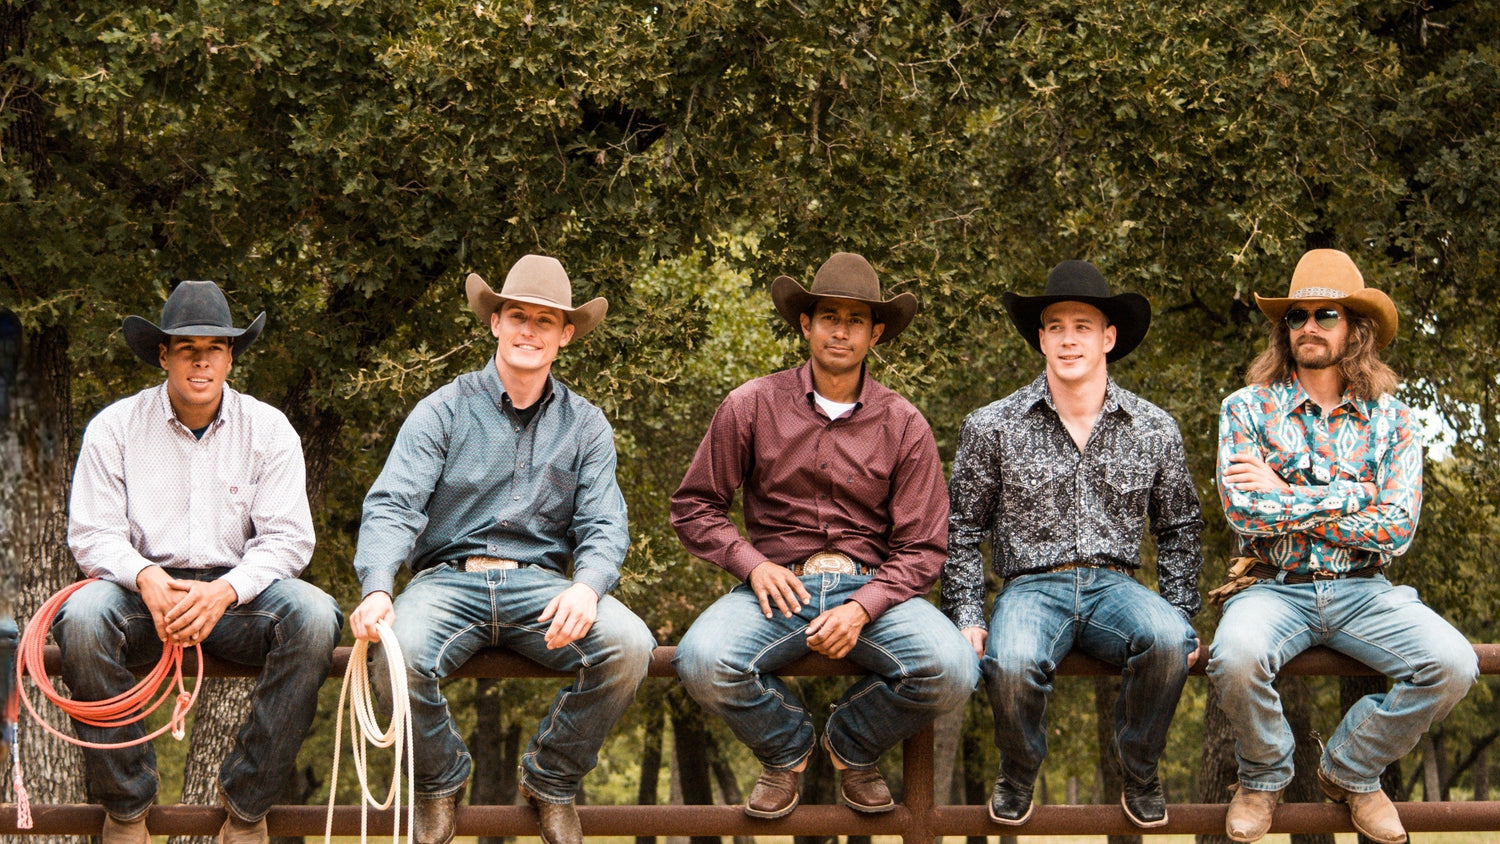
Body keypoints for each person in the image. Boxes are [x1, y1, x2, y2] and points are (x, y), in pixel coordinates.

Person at [349, 255, 654, 844]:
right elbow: (393, 505)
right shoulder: (441, 409)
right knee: (392, 653)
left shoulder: (586, 425)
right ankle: (438, 781)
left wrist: (588, 587)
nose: (528, 331)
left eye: (545, 321)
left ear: (565, 335)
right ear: (495, 323)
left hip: (541, 586)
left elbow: (604, 524)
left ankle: (552, 778)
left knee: (631, 644)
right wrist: (380, 586)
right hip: (446, 581)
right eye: (517, 315)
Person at [672, 252, 978, 819]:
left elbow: (925, 547)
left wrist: (864, 606)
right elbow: (694, 507)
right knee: (700, 660)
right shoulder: (751, 406)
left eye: (856, 319)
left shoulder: (904, 424)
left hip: (872, 591)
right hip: (776, 589)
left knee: (955, 667)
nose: (841, 329)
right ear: (805, 325)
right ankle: (787, 747)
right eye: (828, 316)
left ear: (875, 332)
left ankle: (852, 745)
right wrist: (751, 564)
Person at [56, 280, 342, 844]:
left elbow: (288, 540)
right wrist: (145, 575)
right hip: (140, 597)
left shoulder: (269, 430)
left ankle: (247, 807)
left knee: (314, 616)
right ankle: (127, 806)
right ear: (163, 356)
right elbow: (92, 533)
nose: (201, 361)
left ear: (231, 357)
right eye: (187, 348)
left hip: (237, 600)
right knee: (83, 619)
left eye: (214, 348)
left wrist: (226, 591)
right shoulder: (114, 428)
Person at [1209, 249, 1477, 844]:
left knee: (1454, 665)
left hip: (1365, 591)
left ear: (1355, 328)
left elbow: (1397, 529)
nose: (1307, 325)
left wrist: (1287, 493)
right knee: (1235, 656)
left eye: (1324, 313)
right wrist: (1355, 496)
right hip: (1275, 588)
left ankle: (1352, 768)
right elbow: (1244, 511)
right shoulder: (1244, 409)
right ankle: (1264, 775)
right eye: (1297, 315)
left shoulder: (1396, 420)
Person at [942, 260, 1204, 829]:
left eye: (1082, 325)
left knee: (1165, 638)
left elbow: (1180, 529)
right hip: (1031, 586)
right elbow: (959, 530)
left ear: (1108, 337)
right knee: (1008, 662)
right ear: (1040, 337)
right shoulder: (992, 425)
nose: (1068, 338)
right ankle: (1018, 769)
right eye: (1055, 325)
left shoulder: (1154, 428)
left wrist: (1182, 612)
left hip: (1117, 586)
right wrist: (966, 614)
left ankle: (1139, 769)